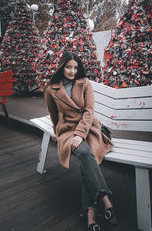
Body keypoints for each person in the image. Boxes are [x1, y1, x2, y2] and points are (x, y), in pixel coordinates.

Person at [44, 51, 118, 231]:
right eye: (68, 67)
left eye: (75, 68)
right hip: (67, 130)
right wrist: (58, 133)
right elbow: (54, 116)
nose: (72, 71)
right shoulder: (51, 89)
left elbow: (89, 110)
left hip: (87, 128)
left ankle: (91, 212)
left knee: (87, 155)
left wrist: (80, 134)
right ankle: (105, 199)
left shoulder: (85, 83)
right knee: (86, 154)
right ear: (62, 67)